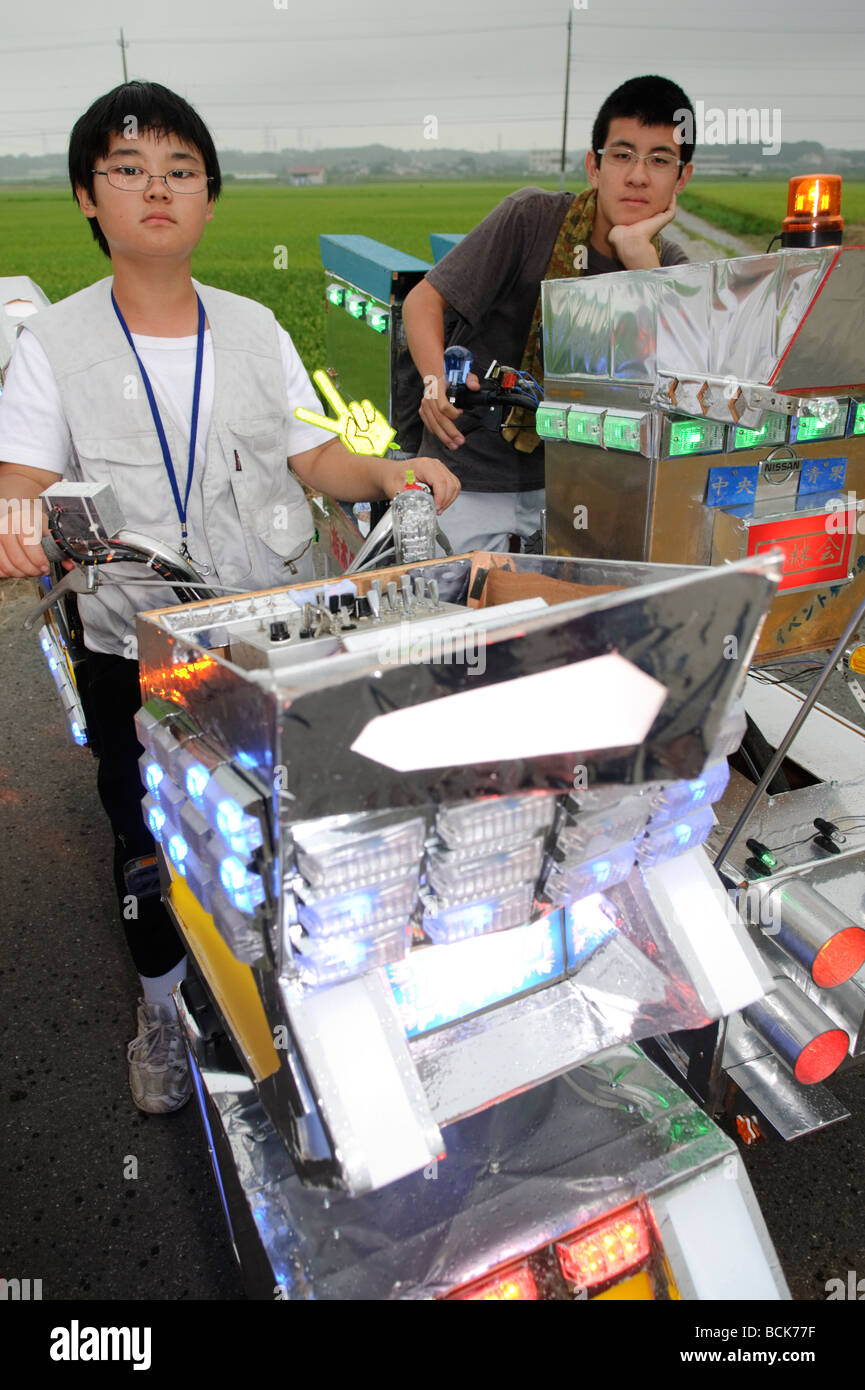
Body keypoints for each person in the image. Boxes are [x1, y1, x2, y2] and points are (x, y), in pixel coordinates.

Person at [0, 81, 459, 1115]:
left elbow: (315, 453)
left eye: (181, 172)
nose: (156, 190)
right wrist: (18, 526)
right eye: (129, 170)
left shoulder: (254, 331)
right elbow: (19, 482)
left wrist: (388, 472)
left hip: (265, 635)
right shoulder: (54, 349)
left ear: (209, 199)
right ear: (88, 195)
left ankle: (316, 985)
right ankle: (161, 1007)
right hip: (133, 646)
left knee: (299, 815)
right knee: (146, 834)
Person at [402, 74, 695, 554]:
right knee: (448, 613)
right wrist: (436, 385)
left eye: (659, 160)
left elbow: (681, 382)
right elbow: (423, 301)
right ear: (594, 166)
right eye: (622, 156)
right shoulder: (531, 220)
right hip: (470, 471)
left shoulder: (671, 269)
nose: (638, 176)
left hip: (582, 486)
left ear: (681, 178)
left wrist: (639, 260)